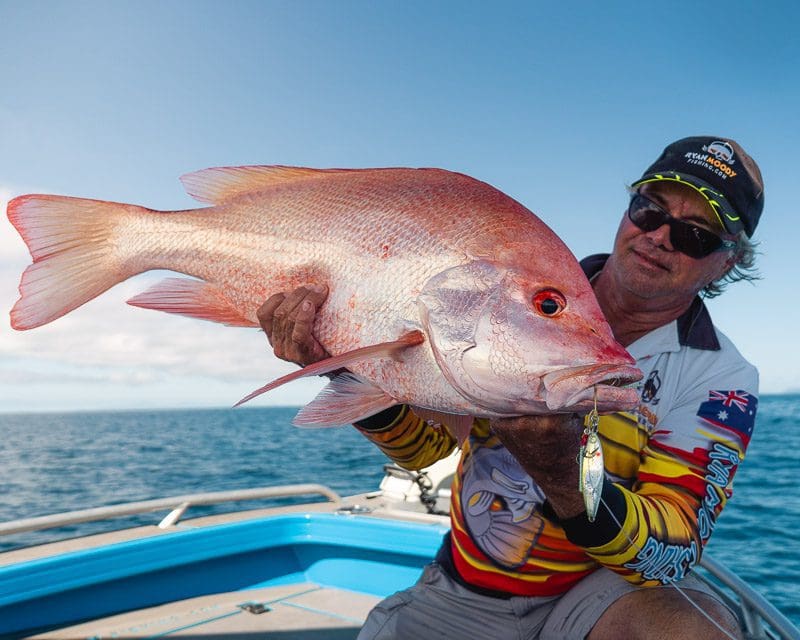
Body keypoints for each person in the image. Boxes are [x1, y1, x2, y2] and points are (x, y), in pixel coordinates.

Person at [258, 136, 764, 640]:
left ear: (727, 262)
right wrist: (344, 368)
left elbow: (671, 550)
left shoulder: (721, 378)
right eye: (649, 210)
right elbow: (425, 450)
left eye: (696, 235)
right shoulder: (515, 285)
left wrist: (565, 477)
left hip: (595, 597)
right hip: (461, 589)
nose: (660, 237)